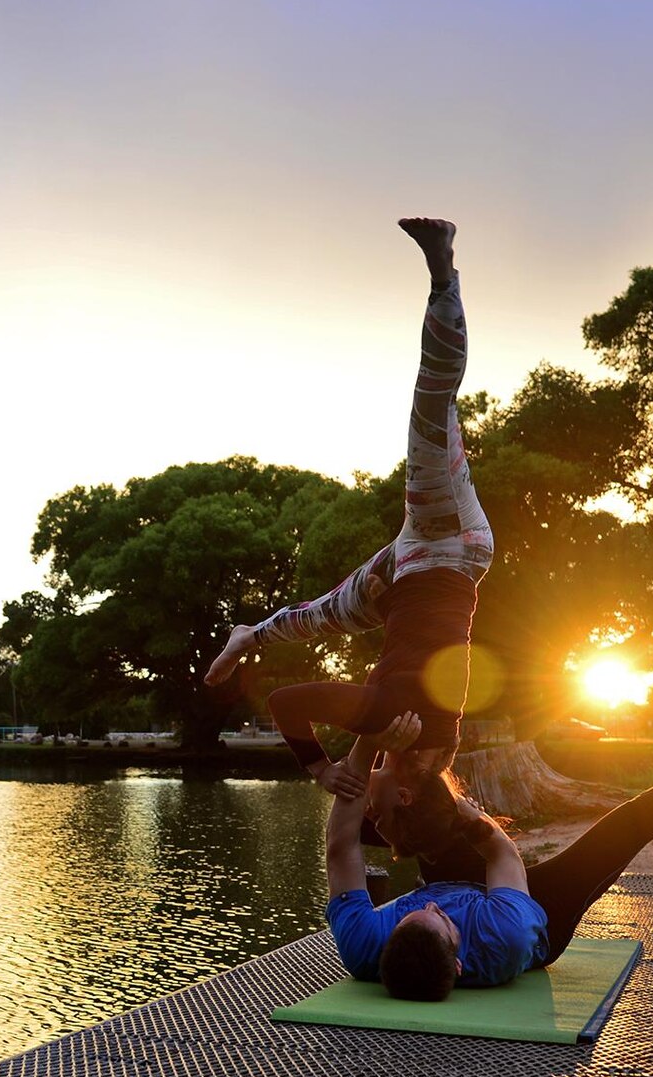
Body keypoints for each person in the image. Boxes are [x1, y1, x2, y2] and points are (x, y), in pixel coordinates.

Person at [317, 635, 653, 1001]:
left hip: (447, 869)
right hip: (539, 909)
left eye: (414, 907)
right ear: (456, 957)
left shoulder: (367, 946)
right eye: (439, 914)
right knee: (652, 810)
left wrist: (369, 740)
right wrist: (448, 800)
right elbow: (498, 846)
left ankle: (425, 794)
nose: (428, 902)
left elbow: (341, 847)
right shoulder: (506, 934)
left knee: (374, 831)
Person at [206, 216, 492, 816]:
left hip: (403, 575)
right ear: (407, 787)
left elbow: (386, 741)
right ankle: (444, 276)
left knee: (319, 617)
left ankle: (247, 636)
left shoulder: (418, 736)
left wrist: (352, 759)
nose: (369, 797)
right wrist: (320, 768)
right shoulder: (398, 727)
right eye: (383, 805)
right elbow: (286, 702)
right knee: (431, 405)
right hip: (445, 543)